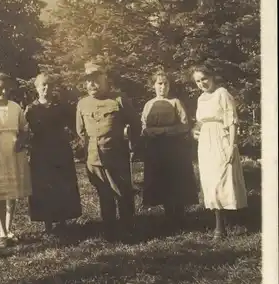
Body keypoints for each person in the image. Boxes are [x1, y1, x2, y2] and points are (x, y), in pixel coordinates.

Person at [76, 59, 141, 241]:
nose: (91, 84)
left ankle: (129, 229)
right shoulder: (82, 104)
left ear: (105, 79)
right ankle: (110, 231)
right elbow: (81, 131)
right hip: (94, 158)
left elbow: (135, 124)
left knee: (123, 193)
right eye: (88, 80)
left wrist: (132, 146)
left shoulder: (119, 100)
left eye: (95, 79)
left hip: (117, 156)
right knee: (104, 194)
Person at [192, 64, 247, 239]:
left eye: (204, 79)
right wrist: (195, 130)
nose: (202, 83)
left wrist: (232, 146)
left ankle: (220, 228)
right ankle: (220, 224)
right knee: (209, 182)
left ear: (212, 76)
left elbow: (232, 122)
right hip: (205, 142)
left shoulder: (222, 93)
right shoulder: (201, 99)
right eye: (198, 81)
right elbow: (200, 121)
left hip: (220, 139)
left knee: (220, 180)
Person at [141, 69, 198, 231]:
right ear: (153, 85)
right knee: (161, 181)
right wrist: (148, 132)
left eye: (166, 84)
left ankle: (179, 216)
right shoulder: (148, 105)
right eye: (159, 83)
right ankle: (168, 216)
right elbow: (144, 126)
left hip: (174, 148)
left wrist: (166, 131)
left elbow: (185, 125)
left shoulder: (175, 102)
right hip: (155, 149)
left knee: (175, 182)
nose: (162, 87)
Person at [25, 73, 82, 234]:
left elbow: (75, 126)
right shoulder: (31, 109)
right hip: (40, 153)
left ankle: (63, 219)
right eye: (42, 85)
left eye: (49, 85)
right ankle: (47, 222)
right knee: (43, 186)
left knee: (61, 185)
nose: (46, 88)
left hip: (60, 150)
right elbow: (24, 130)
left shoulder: (60, 107)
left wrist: (78, 141)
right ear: (36, 88)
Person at [0, 73, 32, 248]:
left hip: (14, 154)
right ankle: (2, 232)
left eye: (6, 88)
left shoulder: (15, 107)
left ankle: (10, 229)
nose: (3, 92)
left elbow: (25, 128)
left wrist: (21, 141)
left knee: (12, 193)